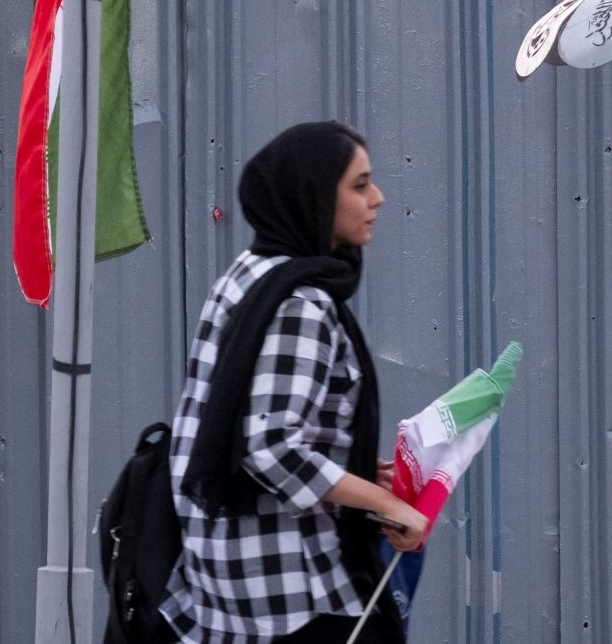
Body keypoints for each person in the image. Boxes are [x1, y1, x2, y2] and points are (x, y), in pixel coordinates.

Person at [162, 122, 426, 644]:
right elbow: (270, 447)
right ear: (312, 196)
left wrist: (348, 468)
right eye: (358, 185)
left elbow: (236, 421)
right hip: (289, 588)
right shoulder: (302, 303)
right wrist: (390, 505)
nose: (378, 198)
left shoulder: (246, 274)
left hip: (224, 575)